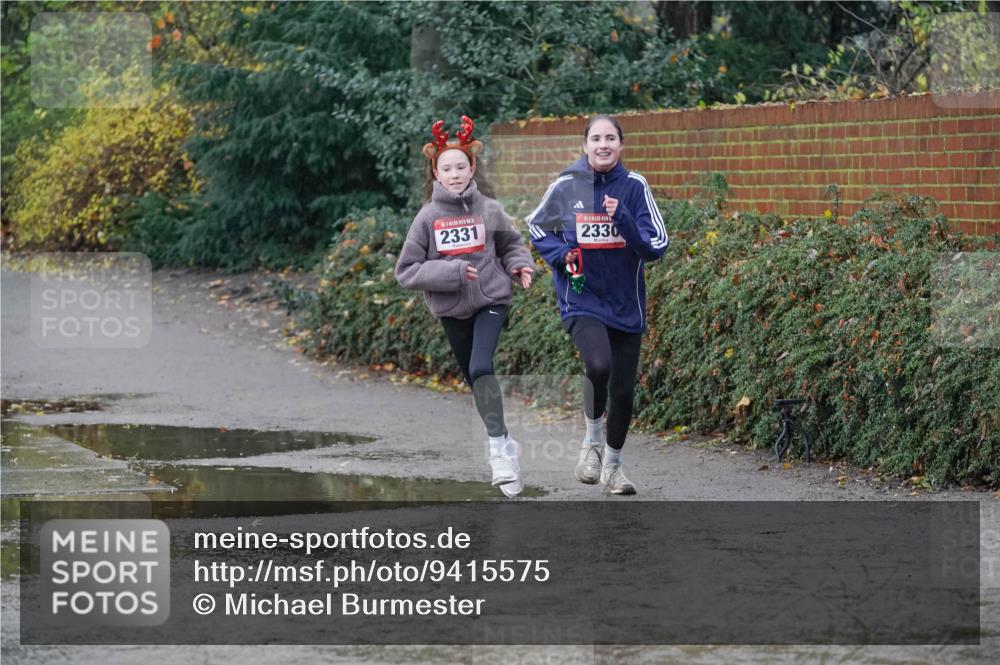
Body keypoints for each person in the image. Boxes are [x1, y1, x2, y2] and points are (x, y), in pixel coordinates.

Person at [525, 114, 668, 495]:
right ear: (584, 144)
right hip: (582, 296)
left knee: (623, 391)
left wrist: (622, 219)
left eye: (610, 138)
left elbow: (656, 246)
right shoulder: (567, 184)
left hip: (626, 304)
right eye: (596, 138)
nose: (603, 145)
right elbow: (538, 226)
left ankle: (614, 467)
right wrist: (562, 254)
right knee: (598, 364)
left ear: (621, 145)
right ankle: (591, 442)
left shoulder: (635, 187)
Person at [395, 116, 534, 497]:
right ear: (435, 174)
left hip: (492, 299)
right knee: (476, 380)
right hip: (451, 309)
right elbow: (406, 271)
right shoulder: (426, 218)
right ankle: (505, 440)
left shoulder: (489, 209)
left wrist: (520, 266)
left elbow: (510, 246)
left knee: (480, 365)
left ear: (472, 168)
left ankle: (497, 453)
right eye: (446, 168)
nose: (454, 174)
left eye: (460, 167)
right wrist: (453, 272)